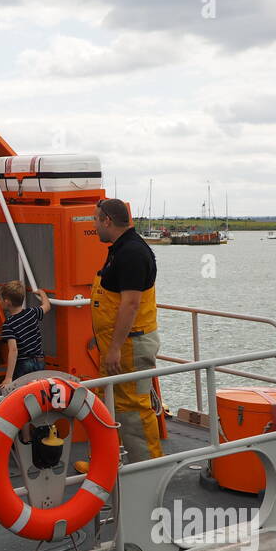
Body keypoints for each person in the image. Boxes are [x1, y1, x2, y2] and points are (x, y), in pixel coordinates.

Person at [89, 198, 162, 463]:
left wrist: (115, 348)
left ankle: (147, 468)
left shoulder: (132, 253)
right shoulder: (120, 249)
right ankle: (107, 463)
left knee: (133, 409)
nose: (94, 225)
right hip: (116, 344)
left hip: (129, 345)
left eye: (96, 219)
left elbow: (131, 304)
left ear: (107, 221)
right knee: (109, 402)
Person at [0, 282, 51, 394]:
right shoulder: (31, 313)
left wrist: (8, 378)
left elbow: (13, 350)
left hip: (24, 364)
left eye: (0, 299)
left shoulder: (8, 324)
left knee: (23, 393)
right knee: (39, 390)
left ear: (7, 302)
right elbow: (47, 306)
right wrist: (42, 293)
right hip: (39, 359)